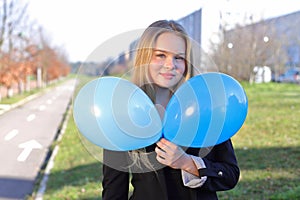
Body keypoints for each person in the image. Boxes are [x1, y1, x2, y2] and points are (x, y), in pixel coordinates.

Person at [102, 20, 240, 200]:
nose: (170, 65)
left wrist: (188, 163)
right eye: (160, 55)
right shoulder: (123, 114)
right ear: (145, 58)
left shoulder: (205, 107)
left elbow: (230, 175)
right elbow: (114, 191)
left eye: (179, 57)